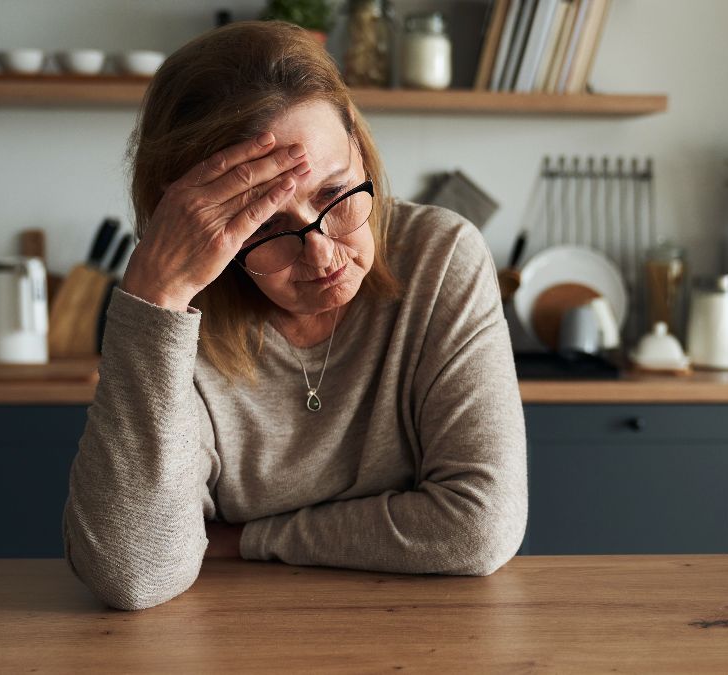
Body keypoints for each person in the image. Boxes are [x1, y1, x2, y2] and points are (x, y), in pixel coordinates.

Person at [62, 21, 527, 611]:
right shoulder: (177, 311)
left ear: (358, 146)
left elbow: (477, 529)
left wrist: (251, 539)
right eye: (266, 226)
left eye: (335, 195)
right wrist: (155, 301)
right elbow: (134, 573)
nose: (322, 252)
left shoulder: (440, 256)